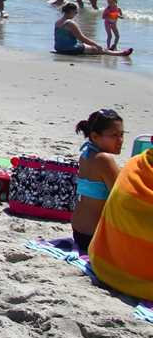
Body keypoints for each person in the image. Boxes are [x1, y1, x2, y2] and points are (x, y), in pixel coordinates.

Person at [71, 109, 124, 254]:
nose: (120, 140)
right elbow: (122, 196)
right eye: (114, 135)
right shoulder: (105, 160)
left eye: (121, 134)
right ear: (94, 136)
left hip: (78, 231)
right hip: (94, 236)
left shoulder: (86, 154)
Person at [54, 3, 133, 56]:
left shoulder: (58, 22)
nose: (76, 14)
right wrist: (96, 45)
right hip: (69, 49)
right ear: (71, 11)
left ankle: (111, 50)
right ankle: (120, 53)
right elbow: (82, 38)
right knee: (97, 49)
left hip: (58, 47)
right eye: (76, 12)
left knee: (90, 46)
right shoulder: (70, 23)